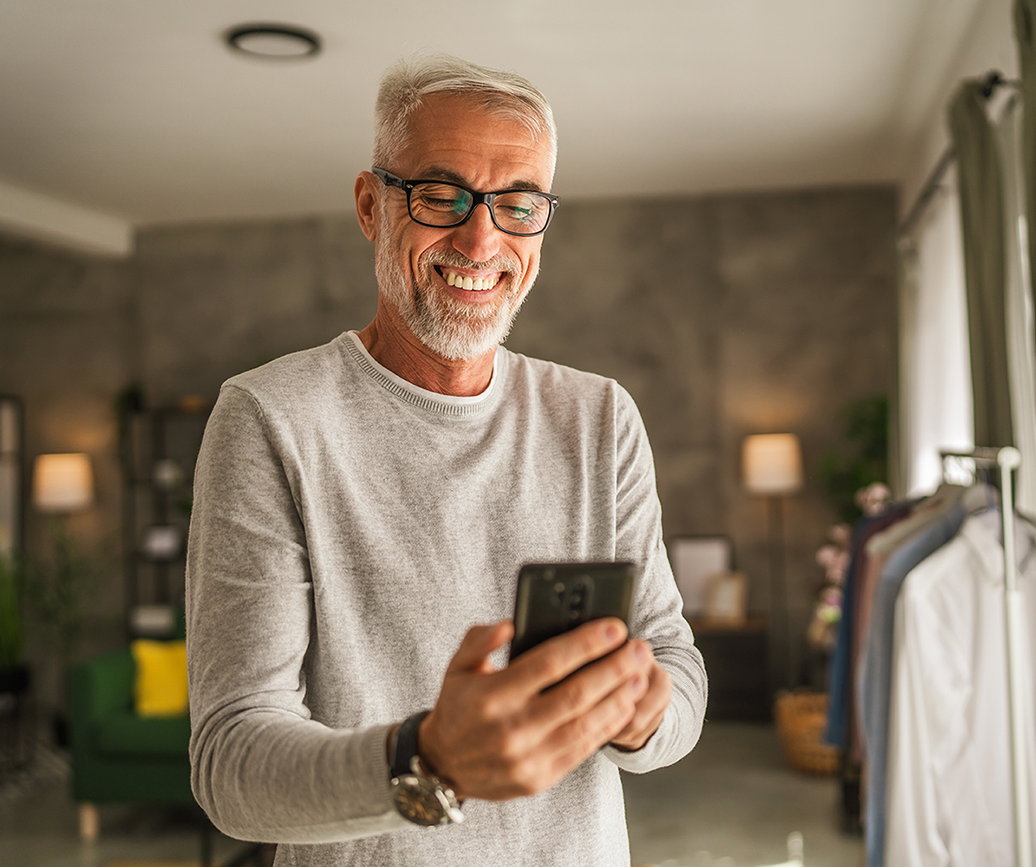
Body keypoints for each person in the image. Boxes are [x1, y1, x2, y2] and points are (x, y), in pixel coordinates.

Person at [185, 54, 707, 867]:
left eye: (518, 204)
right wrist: (429, 762)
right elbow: (231, 764)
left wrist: (644, 712)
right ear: (371, 204)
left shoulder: (599, 418)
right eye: (441, 194)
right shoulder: (270, 418)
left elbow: (675, 662)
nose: (480, 237)